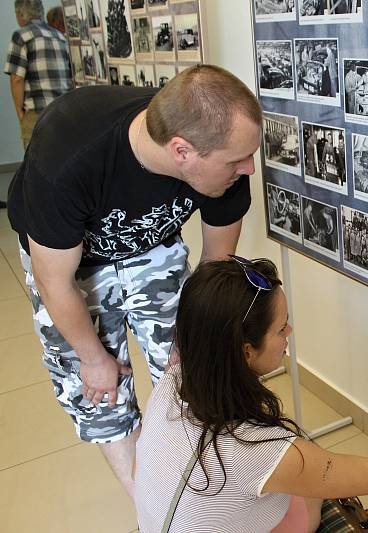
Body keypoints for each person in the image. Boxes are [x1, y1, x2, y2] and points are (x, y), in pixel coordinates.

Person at [6, 65, 262, 498]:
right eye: (237, 160)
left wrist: (191, 338)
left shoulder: (223, 161)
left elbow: (216, 264)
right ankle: (153, 510)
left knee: (197, 371)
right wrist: (93, 359)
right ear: (181, 151)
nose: (250, 169)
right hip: (74, 266)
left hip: (151, 246)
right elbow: (55, 282)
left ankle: (209, 497)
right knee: (101, 392)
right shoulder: (67, 159)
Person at [134, 258, 368, 532]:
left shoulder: (171, 383)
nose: (289, 332)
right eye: (281, 328)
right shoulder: (255, 450)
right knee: (315, 498)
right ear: (246, 351)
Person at [4, 0, 73, 150]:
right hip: (62, 110)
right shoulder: (59, 36)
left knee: (35, 162)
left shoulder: (21, 36)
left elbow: (16, 79)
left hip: (36, 112)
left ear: (21, 14)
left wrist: (21, 114)